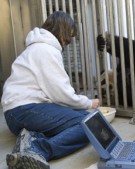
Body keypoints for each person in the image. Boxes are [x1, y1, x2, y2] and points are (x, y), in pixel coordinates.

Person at [1, 11, 100, 169]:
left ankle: (29, 137)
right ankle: (37, 150)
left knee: (86, 117)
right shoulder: (46, 50)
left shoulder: (38, 47)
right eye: (69, 36)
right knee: (86, 125)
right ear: (63, 32)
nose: (67, 43)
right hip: (23, 109)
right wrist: (88, 102)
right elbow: (61, 94)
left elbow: (55, 94)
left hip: (18, 112)